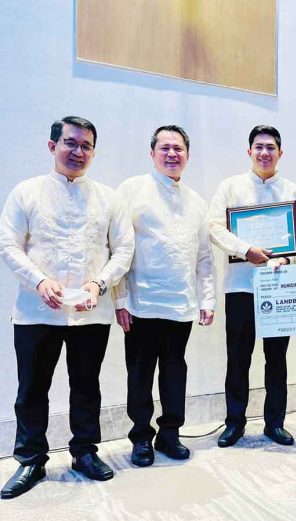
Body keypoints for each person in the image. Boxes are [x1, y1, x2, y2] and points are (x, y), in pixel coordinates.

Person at [0, 116, 134, 499]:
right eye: (70, 143)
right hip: (36, 310)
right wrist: (39, 280)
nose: (78, 151)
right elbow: (8, 243)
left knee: (87, 387)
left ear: (94, 151)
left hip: (91, 312)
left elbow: (123, 249)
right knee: (31, 389)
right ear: (52, 145)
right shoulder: (26, 192)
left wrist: (99, 283)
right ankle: (30, 460)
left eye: (86, 145)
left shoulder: (109, 197)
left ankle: (84, 452)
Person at [114, 125, 215, 467]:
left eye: (179, 149)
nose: (172, 154)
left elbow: (203, 256)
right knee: (140, 373)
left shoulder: (197, 202)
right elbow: (118, 246)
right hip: (141, 304)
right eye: (165, 148)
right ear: (152, 153)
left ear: (187, 155)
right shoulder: (132, 190)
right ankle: (141, 437)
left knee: (175, 372)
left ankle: (169, 434)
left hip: (181, 304)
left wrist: (208, 299)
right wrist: (120, 299)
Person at [208, 125, 296, 447]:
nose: (265, 153)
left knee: (276, 358)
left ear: (281, 153)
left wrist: (286, 259)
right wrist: (244, 250)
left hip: (278, 286)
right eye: (259, 147)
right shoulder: (230, 187)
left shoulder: (294, 191)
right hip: (240, 286)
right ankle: (234, 422)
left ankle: (274, 423)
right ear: (249, 151)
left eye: (271, 147)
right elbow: (213, 228)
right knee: (238, 358)